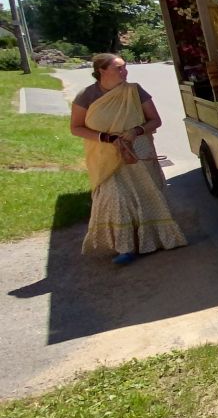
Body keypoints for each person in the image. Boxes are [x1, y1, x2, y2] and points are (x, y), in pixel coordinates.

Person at [69, 54, 187, 264]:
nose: (124, 72)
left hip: (137, 152)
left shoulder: (134, 91)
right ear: (101, 70)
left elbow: (155, 120)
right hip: (105, 157)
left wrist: (136, 131)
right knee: (116, 198)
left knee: (146, 194)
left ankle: (154, 239)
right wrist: (106, 138)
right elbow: (76, 128)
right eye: (118, 68)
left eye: (124, 67)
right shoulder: (86, 95)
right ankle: (126, 247)